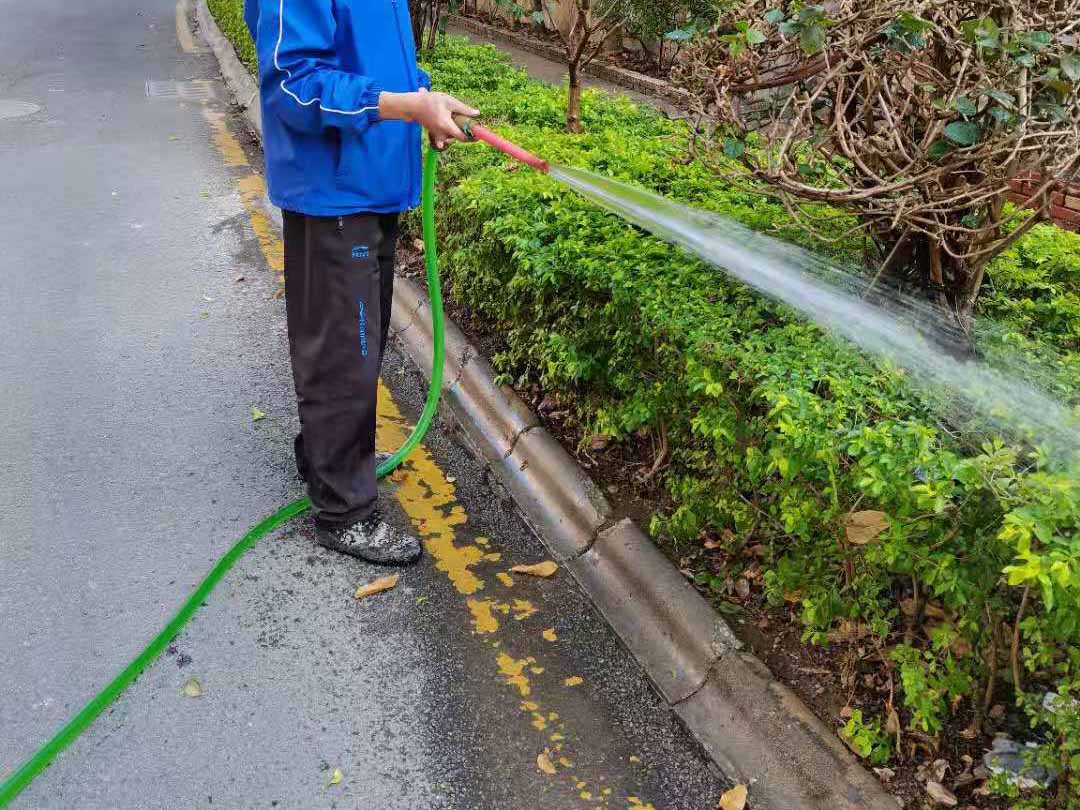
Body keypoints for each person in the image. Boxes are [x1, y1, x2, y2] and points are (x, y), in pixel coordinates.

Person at [243, 0, 478, 565]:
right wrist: (404, 106)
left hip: (370, 181)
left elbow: (377, 61)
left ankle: (324, 456)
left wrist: (425, 100)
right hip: (334, 193)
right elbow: (294, 86)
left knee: (356, 346)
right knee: (343, 352)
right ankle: (343, 510)